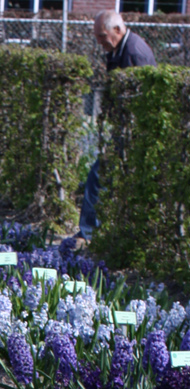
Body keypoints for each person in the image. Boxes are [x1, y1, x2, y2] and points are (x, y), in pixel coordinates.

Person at [79, 11, 155, 238]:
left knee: (98, 175)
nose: (99, 41)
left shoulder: (133, 54)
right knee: (102, 177)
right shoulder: (119, 50)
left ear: (118, 30)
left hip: (135, 131)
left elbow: (142, 101)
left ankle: (88, 234)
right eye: (97, 36)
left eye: (102, 36)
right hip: (126, 129)